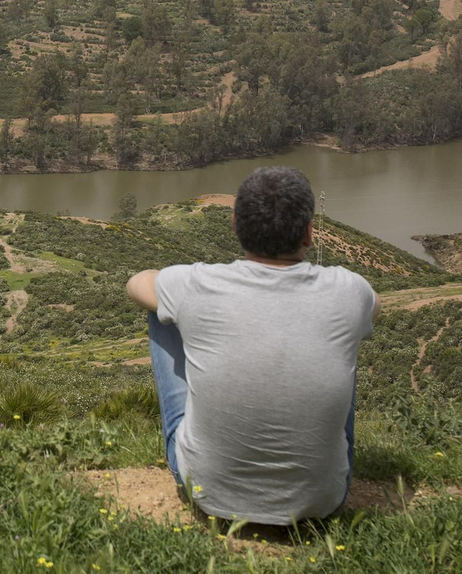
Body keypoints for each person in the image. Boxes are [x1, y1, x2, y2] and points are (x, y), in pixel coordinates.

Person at [124, 166, 379, 525]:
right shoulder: (350, 291)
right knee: (346, 334)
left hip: (207, 491)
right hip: (322, 500)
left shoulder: (195, 284)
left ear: (235, 225)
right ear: (309, 231)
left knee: (160, 309)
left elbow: (136, 284)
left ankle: (201, 442)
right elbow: (375, 307)